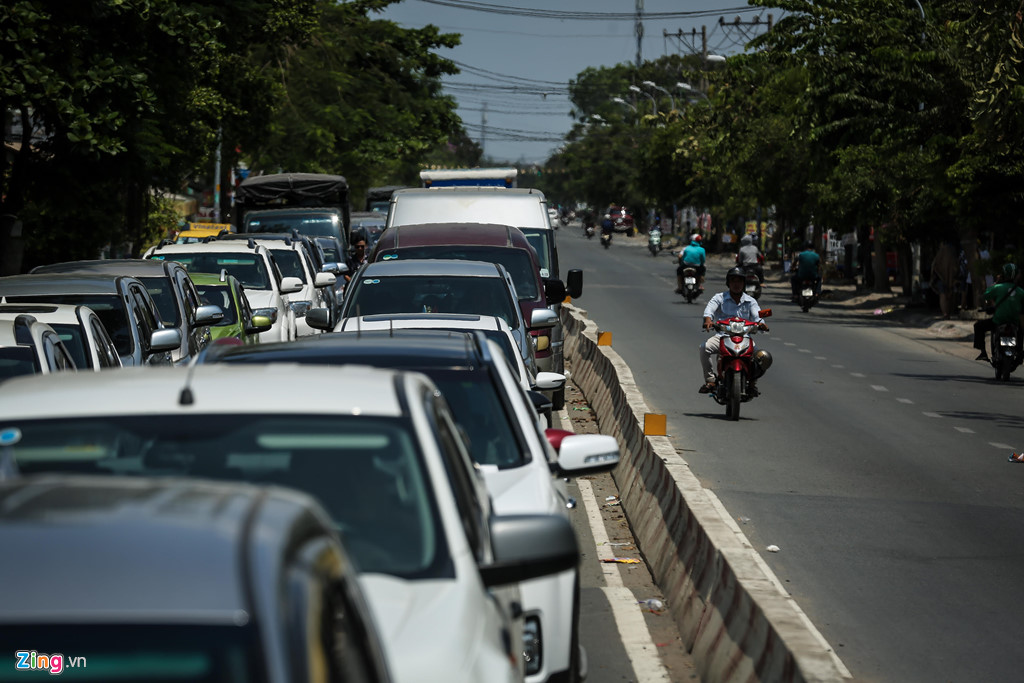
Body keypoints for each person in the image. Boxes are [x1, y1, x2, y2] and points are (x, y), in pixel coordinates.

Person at [699, 267, 768, 393]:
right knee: (704, 348)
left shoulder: (750, 301)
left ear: (744, 283)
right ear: (728, 283)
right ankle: (710, 380)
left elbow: (757, 316)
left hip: (745, 338)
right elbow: (709, 310)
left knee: (763, 358)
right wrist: (708, 320)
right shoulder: (719, 298)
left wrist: (761, 324)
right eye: (733, 281)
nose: (736, 284)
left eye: (739, 281)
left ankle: (752, 382)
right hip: (722, 336)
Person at [973, 263, 1023, 362]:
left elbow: (985, 295)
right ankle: (1019, 352)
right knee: (1020, 332)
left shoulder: (997, 287)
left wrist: (995, 283)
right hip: (1015, 322)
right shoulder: (1021, 291)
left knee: (978, 326)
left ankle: (983, 352)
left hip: (998, 320)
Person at [930, 240, 958, 319]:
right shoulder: (953, 252)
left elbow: (935, 265)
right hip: (951, 278)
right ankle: (948, 313)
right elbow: (956, 267)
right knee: (949, 295)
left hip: (941, 278)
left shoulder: (941, 252)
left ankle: (945, 313)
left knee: (943, 295)